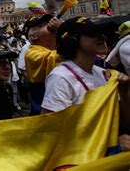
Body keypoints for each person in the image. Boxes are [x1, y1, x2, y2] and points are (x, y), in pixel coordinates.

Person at [41, 16, 130, 151]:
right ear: (73, 40)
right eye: (93, 34)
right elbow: (52, 133)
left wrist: (124, 93)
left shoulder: (103, 74)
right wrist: (111, 145)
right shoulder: (61, 77)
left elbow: (125, 123)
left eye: (102, 33)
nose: (102, 38)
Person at [23, 14, 63, 114]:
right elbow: (65, 57)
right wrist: (63, 29)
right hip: (45, 115)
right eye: (43, 25)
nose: (50, 25)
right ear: (34, 36)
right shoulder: (32, 54)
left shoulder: (56, 48)